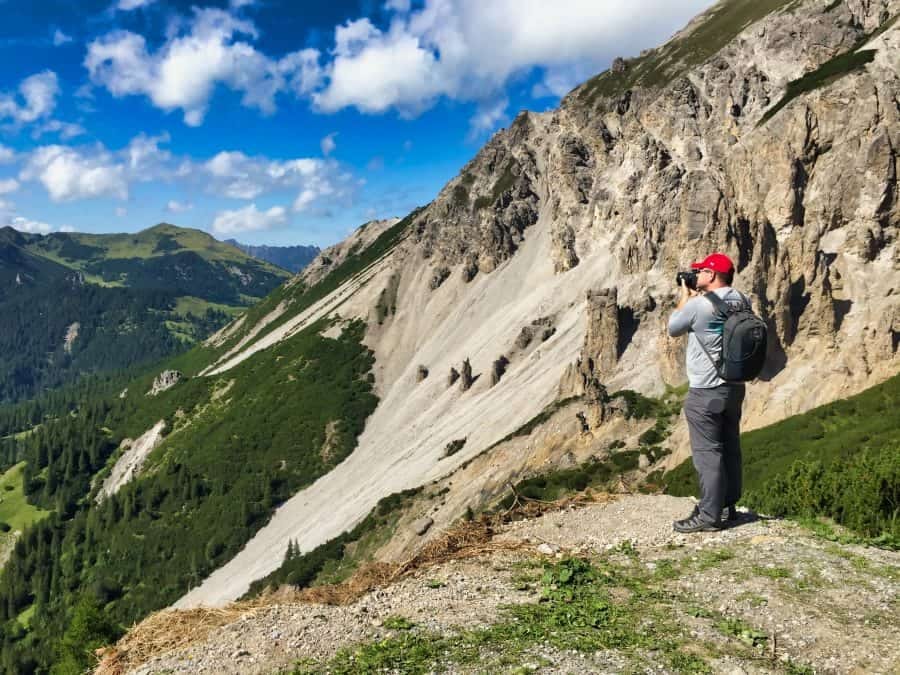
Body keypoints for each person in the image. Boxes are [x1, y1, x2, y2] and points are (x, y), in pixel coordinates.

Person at [667, 253, 751, 533]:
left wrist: (685, 294)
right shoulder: (742, 299)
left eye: (701, 270)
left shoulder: (699, 305)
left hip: (706, 391)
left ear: (712, 275)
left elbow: (673, 327)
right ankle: (727, 505)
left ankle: (708, 516)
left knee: (708, 453)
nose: (696, 275)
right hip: (734, 387)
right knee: (730, 448)